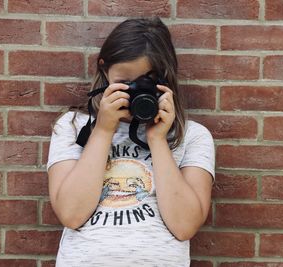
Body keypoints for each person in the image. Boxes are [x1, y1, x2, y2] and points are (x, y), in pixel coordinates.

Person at [47, 17, 215, 266]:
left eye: (146, 83)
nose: (135, 92)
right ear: (104, 70)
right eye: (124, 84)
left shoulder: (192, 136)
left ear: (166, 79)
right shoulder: (72, 127)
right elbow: (71, 214)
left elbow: (184, 226)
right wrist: (103, 130)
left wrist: (157, 138)